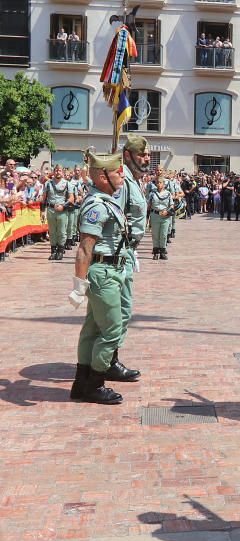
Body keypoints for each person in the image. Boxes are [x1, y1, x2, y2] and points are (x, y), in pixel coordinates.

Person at [68, 150, 129, 405]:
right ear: (103, 177)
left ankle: (81, 383)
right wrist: (78, 285)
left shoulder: (105, 199)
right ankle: (94, 384)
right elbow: (85, 248)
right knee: (112, 331)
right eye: (118, 172)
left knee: (92, 329)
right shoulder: (96, 205)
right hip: (104, 273)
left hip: (108, 270)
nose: (122, 176)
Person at [114, 134, 151, 384]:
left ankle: (106, 359)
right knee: (120, 310)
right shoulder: (122, 181)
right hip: (117, 253)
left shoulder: (135, 180)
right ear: (128, 155)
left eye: (147, 155)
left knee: (121, 309)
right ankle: (108, 361)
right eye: (141, 154)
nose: (146, 158)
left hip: (127, 250)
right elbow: (114, 216)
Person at [43, 166, 70, 260]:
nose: (58, 172)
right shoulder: (48, 183)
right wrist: (42, 211)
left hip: (62, 210)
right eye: (56, 170)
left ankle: (60, 250)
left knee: (62, 231)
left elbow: (71, 198)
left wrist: (63, 206)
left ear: (62, 172)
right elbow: (44, 198)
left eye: (60, 170)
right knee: (52, 231)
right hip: (51, 209)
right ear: (53, 171)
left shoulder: (67, 183)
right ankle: (53, 251)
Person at [148, 177, 172, 260]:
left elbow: (171, 205)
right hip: (155, 215)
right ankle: (156, 252)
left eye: (160, 182)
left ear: (164, 184)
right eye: (157, 183)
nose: (159, 184)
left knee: (163, 235)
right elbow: (149, 205)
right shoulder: (152, 194)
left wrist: (167, 211)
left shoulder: (168, 193)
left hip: (165, 216)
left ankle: (162, 251)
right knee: (155, 234)